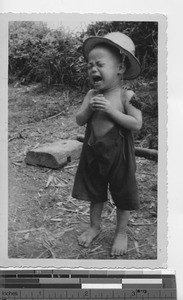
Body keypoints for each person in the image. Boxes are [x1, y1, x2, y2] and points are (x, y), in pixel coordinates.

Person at [72, 32, 142, 257]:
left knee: (123, 193)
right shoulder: (91, 94)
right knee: (95, 192)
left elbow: (136, 124)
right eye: (89, 65)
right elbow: (79, 119)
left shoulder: (127, 96)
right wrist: (90, 108)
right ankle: (94, 226)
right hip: (93, 152)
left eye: (100, 64)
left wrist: (111, 110)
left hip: (119, 155)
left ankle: (121, 232)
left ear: (120, 68)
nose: (93, 69)